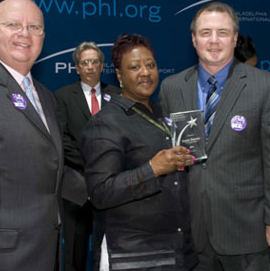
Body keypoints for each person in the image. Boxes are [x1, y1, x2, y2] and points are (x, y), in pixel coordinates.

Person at [159, 1, 270, 271]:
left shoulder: (263, 85)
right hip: (191, 233)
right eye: (206, 32)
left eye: (222, 32)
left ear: (234, 38)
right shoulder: (171, 88)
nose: (214, 40)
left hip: (247, 231)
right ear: (194, 39)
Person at [80, 34, 198, 271]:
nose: (145, 72)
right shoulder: (106, 122)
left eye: (150, 65)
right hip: (133, 256)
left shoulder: (162, 113)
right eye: (134, 67)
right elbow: (101, 192)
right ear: (120, 76)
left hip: (177, 251)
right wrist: (152, 169)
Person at [0, 0, 64, 271]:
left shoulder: (45, 97)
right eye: (13, 24)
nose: (25, 33)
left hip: (46, 253)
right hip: (3, 260)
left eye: (34, 27)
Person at [54, 41, 120, 271]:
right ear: (77, 68)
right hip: (77, 186)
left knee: (109, 252)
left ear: (102, 66)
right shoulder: (62, 96)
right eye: (85, 62)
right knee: (75, 251)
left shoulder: (118, 95)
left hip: (112, 187)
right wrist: (92, 164)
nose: (90, 66)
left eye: (94, 62)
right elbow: (61, 138)